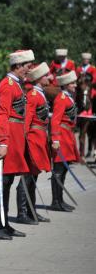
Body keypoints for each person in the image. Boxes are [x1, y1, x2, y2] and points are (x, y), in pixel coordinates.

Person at [0, 50, 34, 240]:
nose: (29, 70)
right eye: (27, 66)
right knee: (0, 183)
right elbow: (3, 115)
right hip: (8, 139)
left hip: (16, 139)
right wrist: (3, 142)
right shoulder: (7, 85)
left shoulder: (17, 85)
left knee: (7, 182)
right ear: (17, 66)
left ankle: (4, 223)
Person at [16, 62, 52, 225]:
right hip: (32, 140)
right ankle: (22, 213)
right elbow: (27, 122)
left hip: (40, 138)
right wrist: (25, 143)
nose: (49, 78)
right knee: (27, 177)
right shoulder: (32, 95)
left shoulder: (40, 94)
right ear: (38, 78)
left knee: (34, 177)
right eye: (46, 75)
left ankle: (31, 211)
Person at [49, 71, 80, 212]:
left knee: (63, 170)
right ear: (66, 85)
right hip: (61, 136)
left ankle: (60, 200)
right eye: (73, 83)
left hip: (67, 135)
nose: (75, 85)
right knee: (58, 171)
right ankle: (56, 201)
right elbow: (55, 120)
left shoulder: (68, 97)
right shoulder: (61, 98)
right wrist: (55, 138)